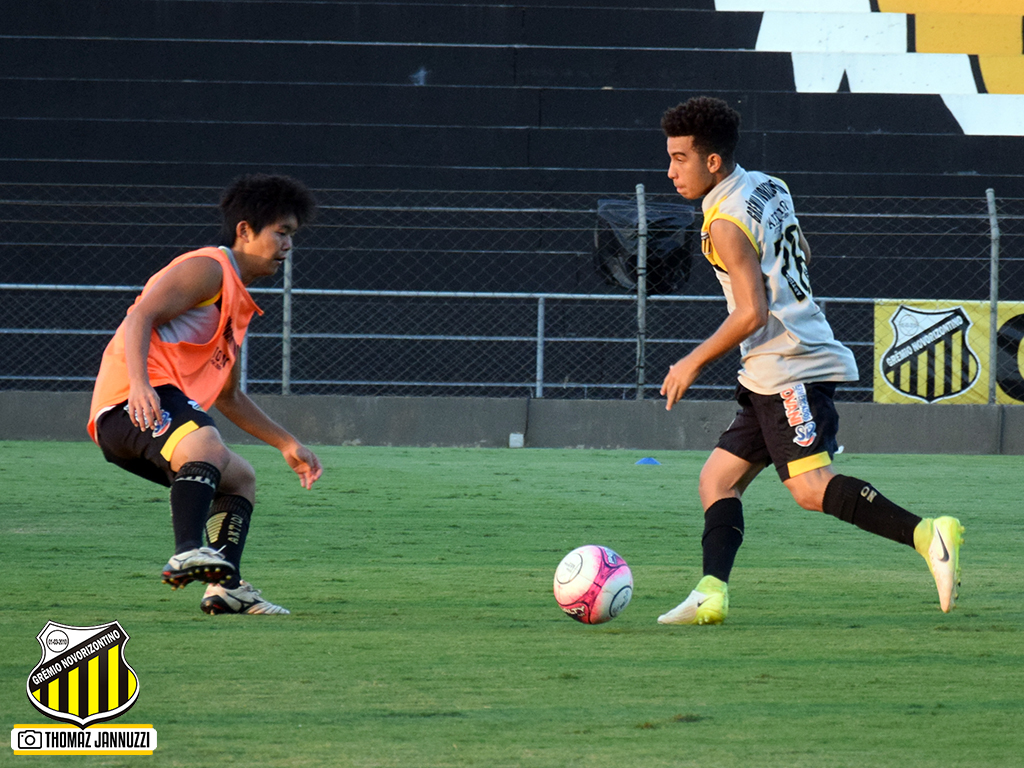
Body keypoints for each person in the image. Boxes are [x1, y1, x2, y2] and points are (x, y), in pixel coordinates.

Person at [655, 97, 963, 625]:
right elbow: (802, 254)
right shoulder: (769, 186)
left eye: (680, 158)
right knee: (717, 481)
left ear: (711, 162)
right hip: (765, 370)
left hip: (788, 366)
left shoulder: (723, 223)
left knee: (809, 488)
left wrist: (691, 362)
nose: (670, 171)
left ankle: (926, 533)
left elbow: (751, 313)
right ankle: (710, 596)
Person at [87, 174, 323, 616]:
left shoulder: (237, 301)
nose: (289, 245)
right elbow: (141, 316)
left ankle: (224, 587)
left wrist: (287, 443)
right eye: (282, 232)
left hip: (154, 405)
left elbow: (230, 397)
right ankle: (187, 551)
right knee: (207, 445)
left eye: (292, 235)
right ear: (245, 231)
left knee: (240, 478)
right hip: (131, 402)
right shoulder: (209, 268)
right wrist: (139, 384)